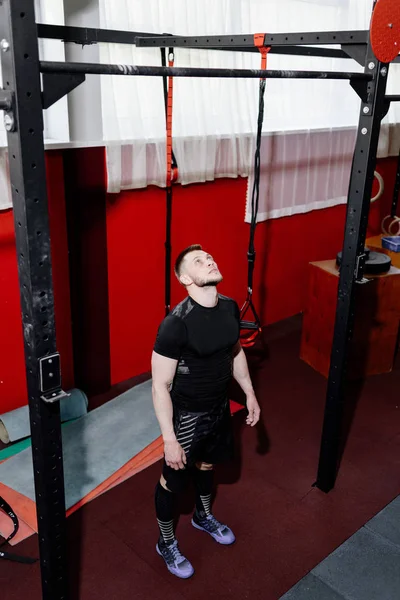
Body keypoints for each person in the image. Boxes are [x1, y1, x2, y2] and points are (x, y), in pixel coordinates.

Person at [151, 244, 261, 579]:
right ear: (185, 278)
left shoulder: (229, 308)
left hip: (218, 407)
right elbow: (159, 386)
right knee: (172, 482)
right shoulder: (175, 324)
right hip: (187, 415)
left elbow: (235, 351)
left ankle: (202, 516)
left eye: (210, 256)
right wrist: (169, 438)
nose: (209, 260)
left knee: (207, 464)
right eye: (199, 261)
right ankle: (166, 541)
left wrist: (250, 394)